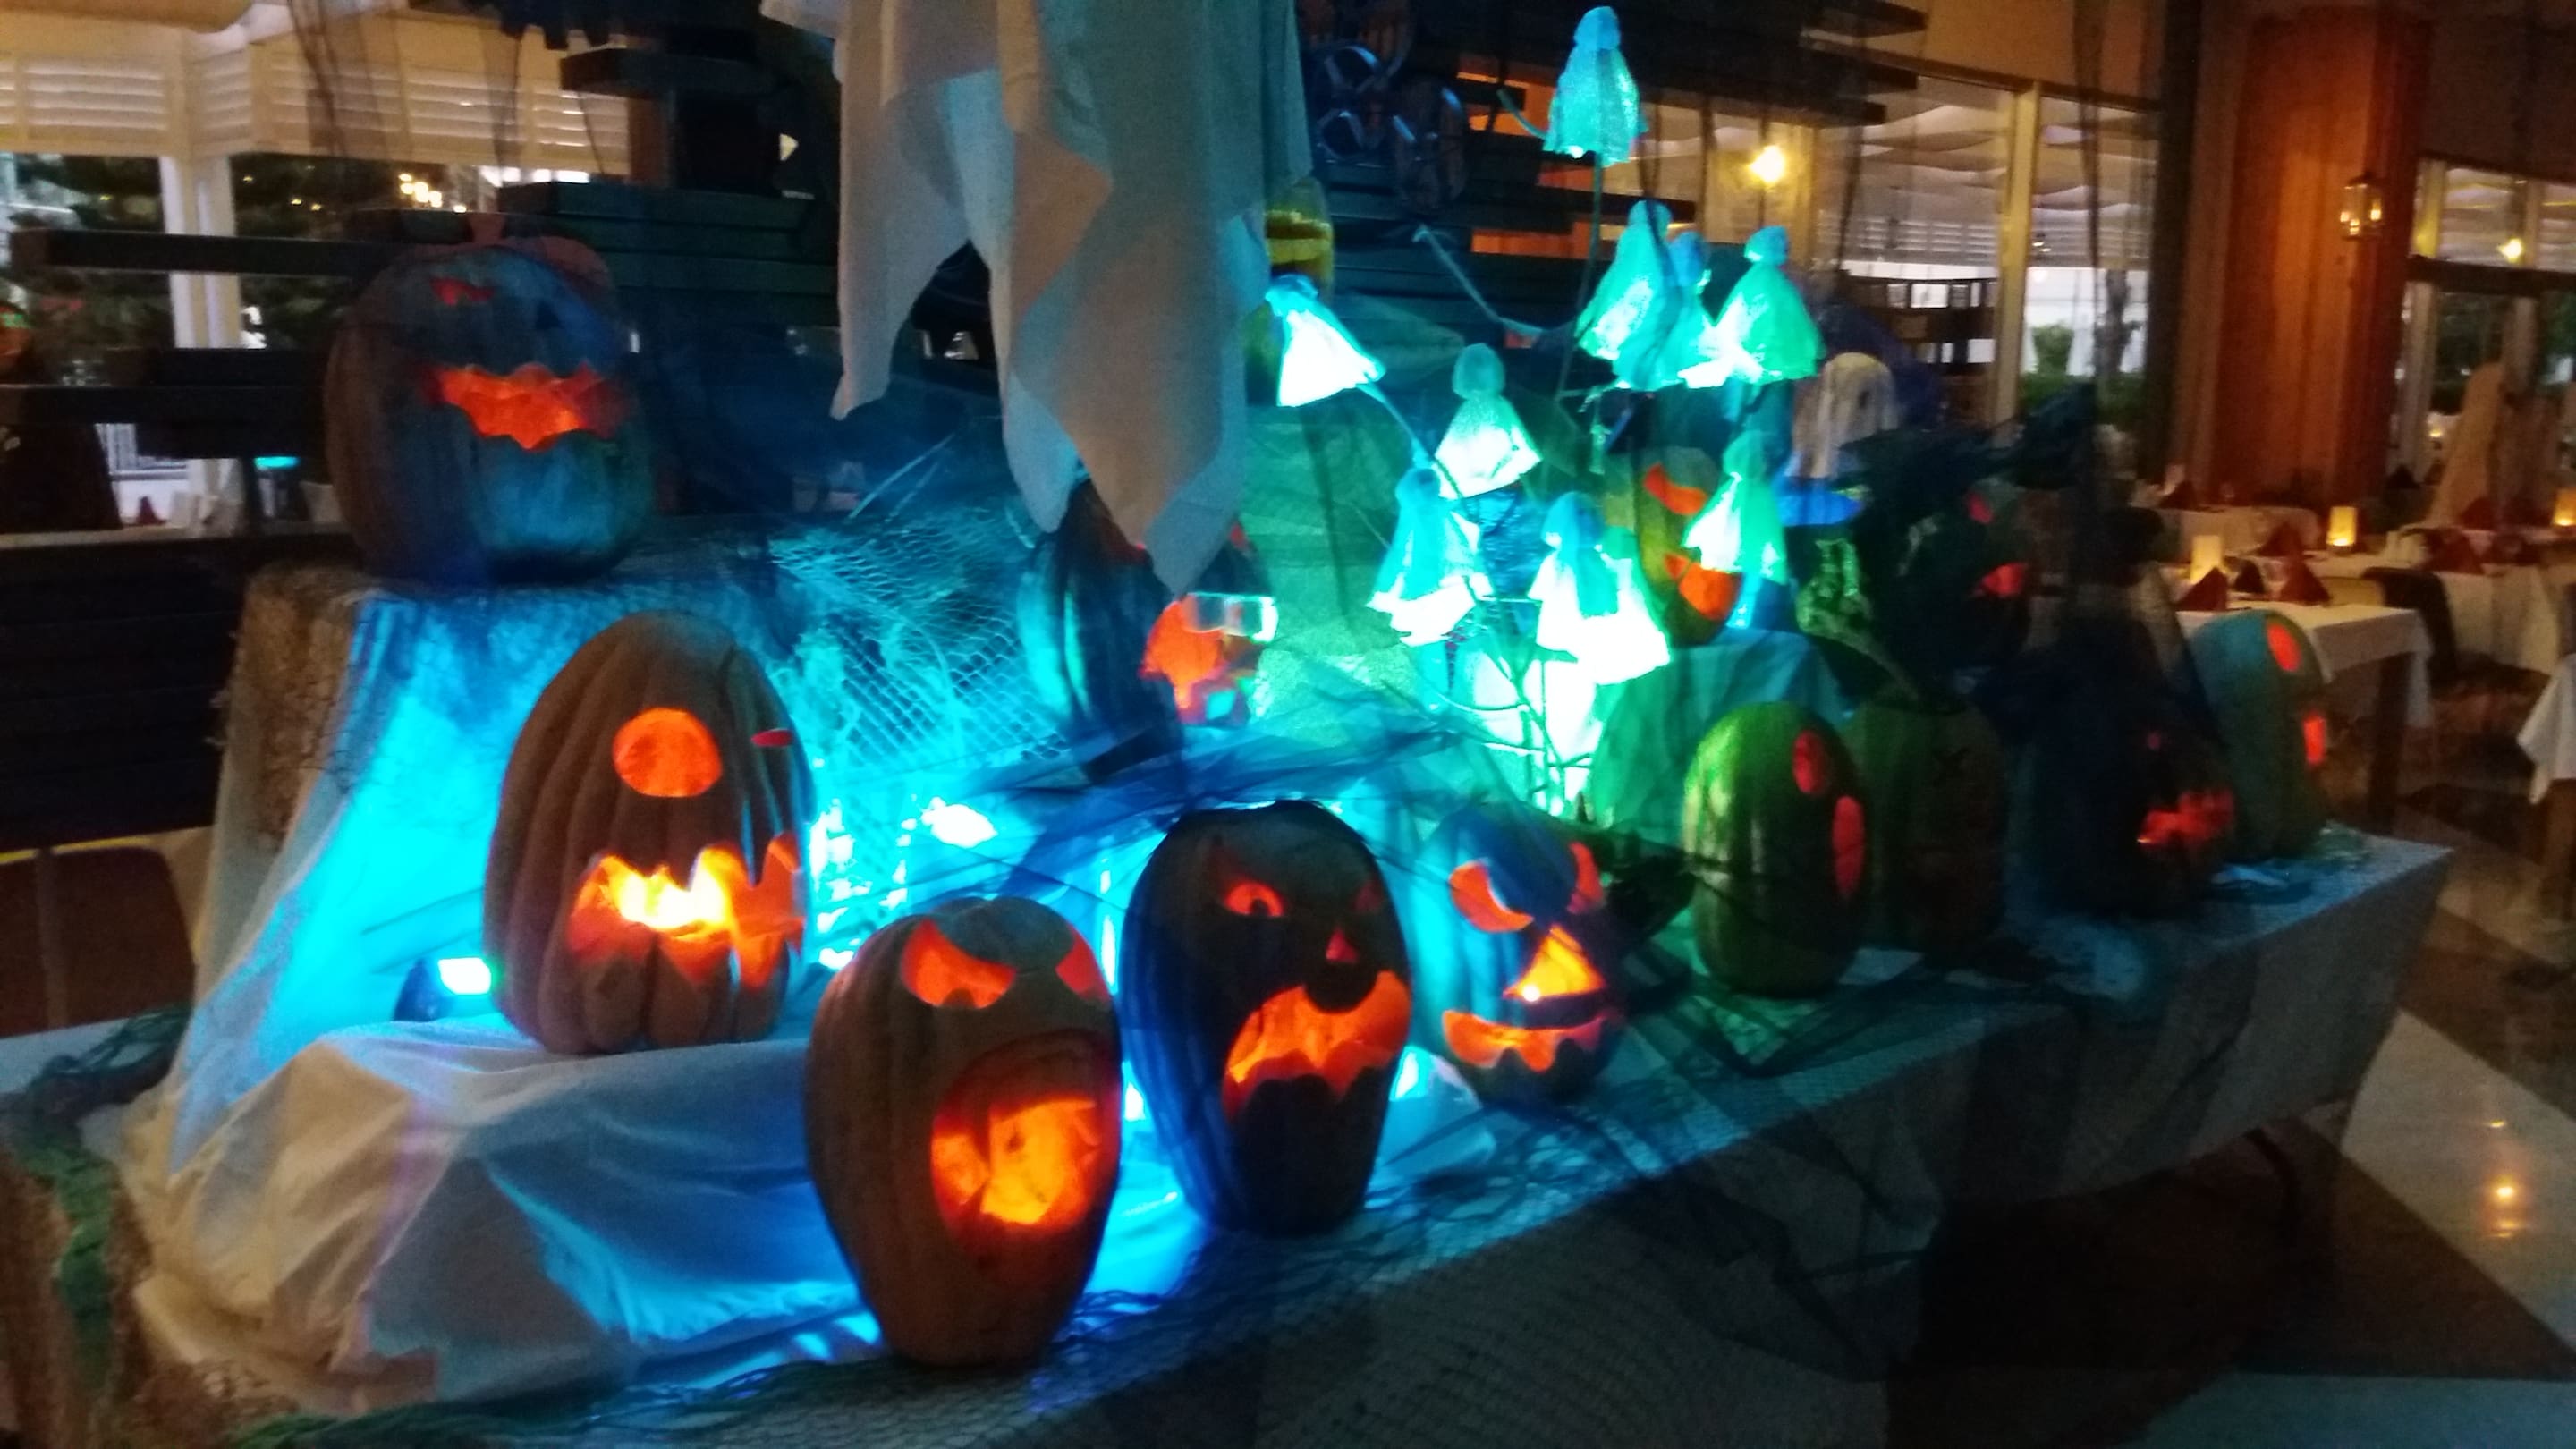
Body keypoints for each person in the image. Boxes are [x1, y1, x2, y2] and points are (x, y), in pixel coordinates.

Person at [0, 305, 120, 534]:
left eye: (3, 333)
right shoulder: (50, 402)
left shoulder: (49, 406)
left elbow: (78, 492)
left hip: (45, 541)